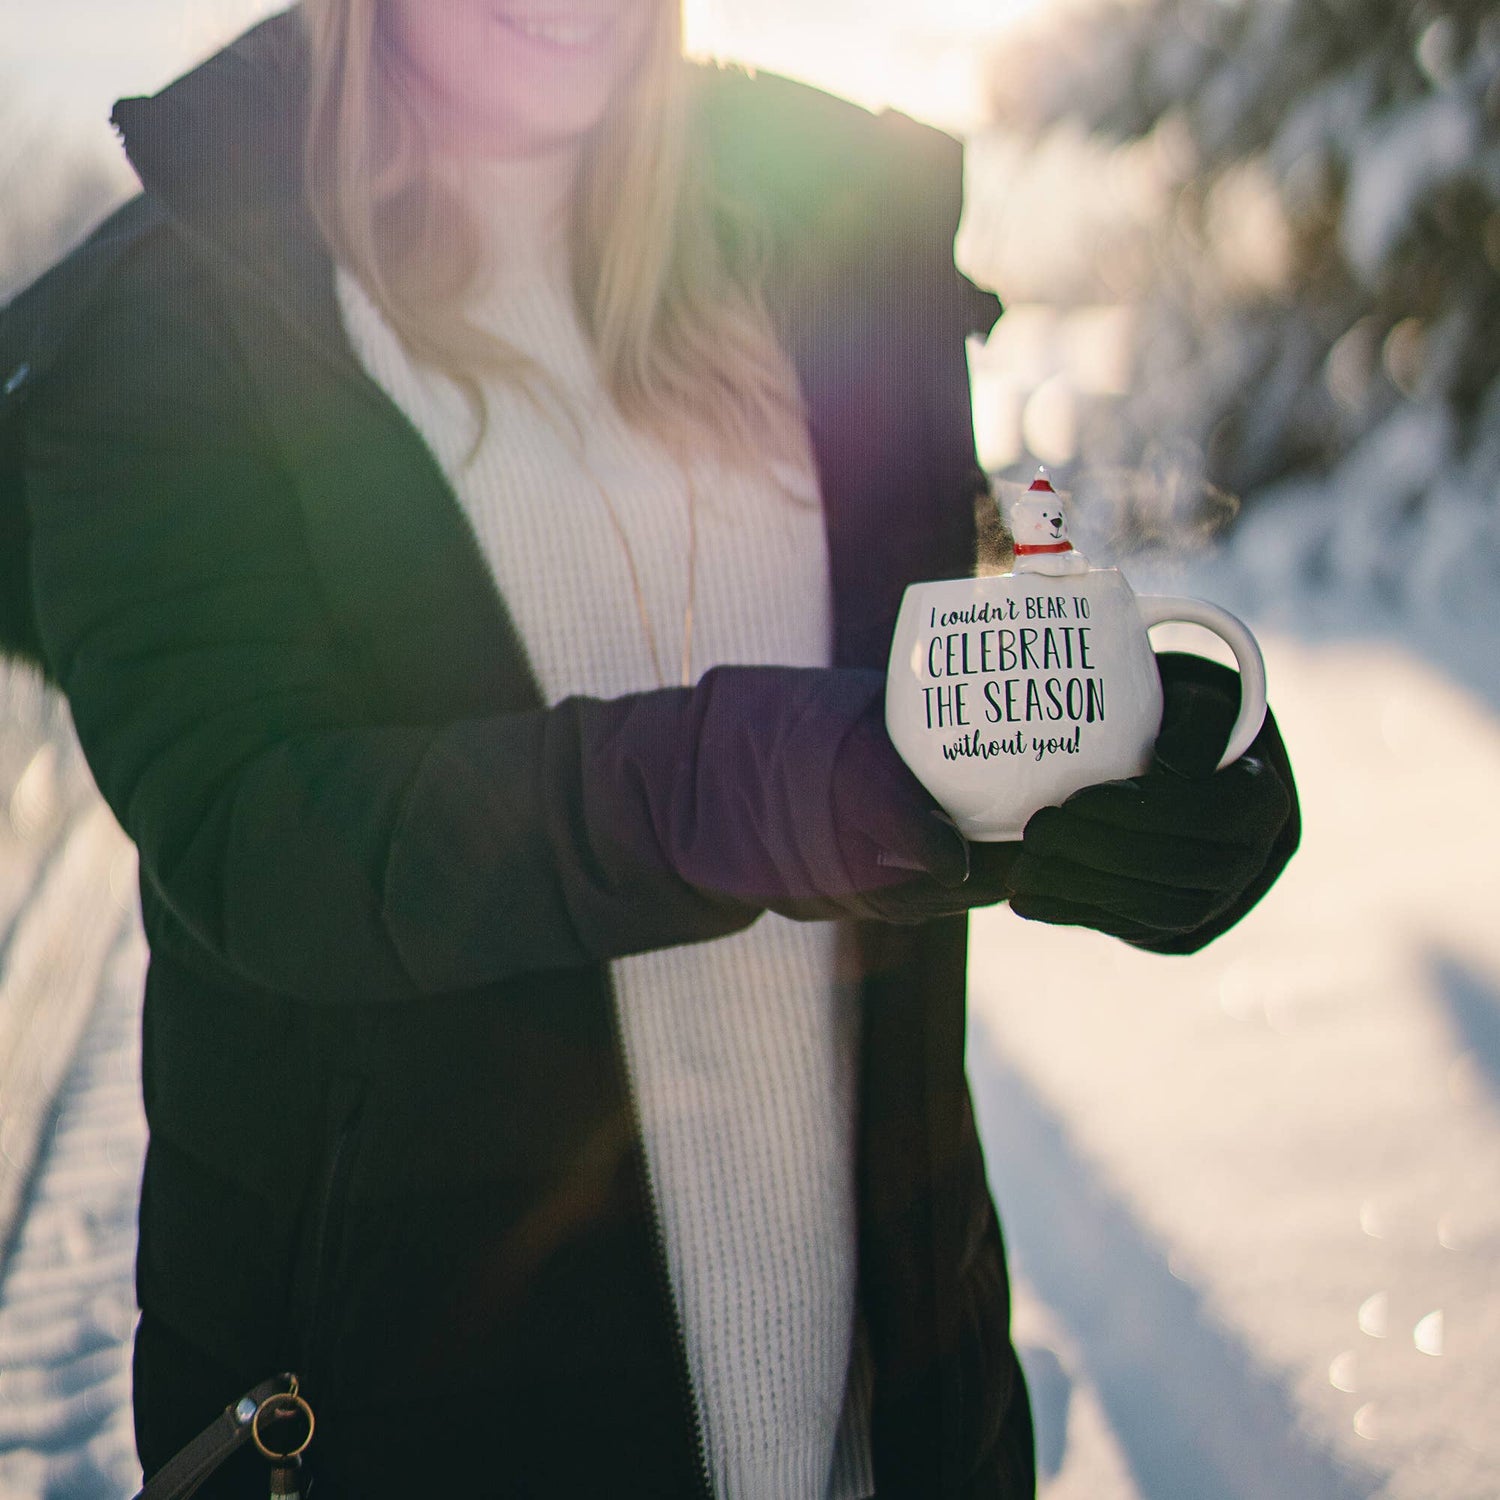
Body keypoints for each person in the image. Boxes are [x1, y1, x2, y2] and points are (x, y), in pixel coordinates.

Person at [0, 2, 1298, 1495]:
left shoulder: (833, 254)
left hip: (888, 1419)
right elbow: (264, 840)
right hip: (418, 1420)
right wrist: (775, 784)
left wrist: (1164, 750)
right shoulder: (173, 322)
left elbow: (966, 660)